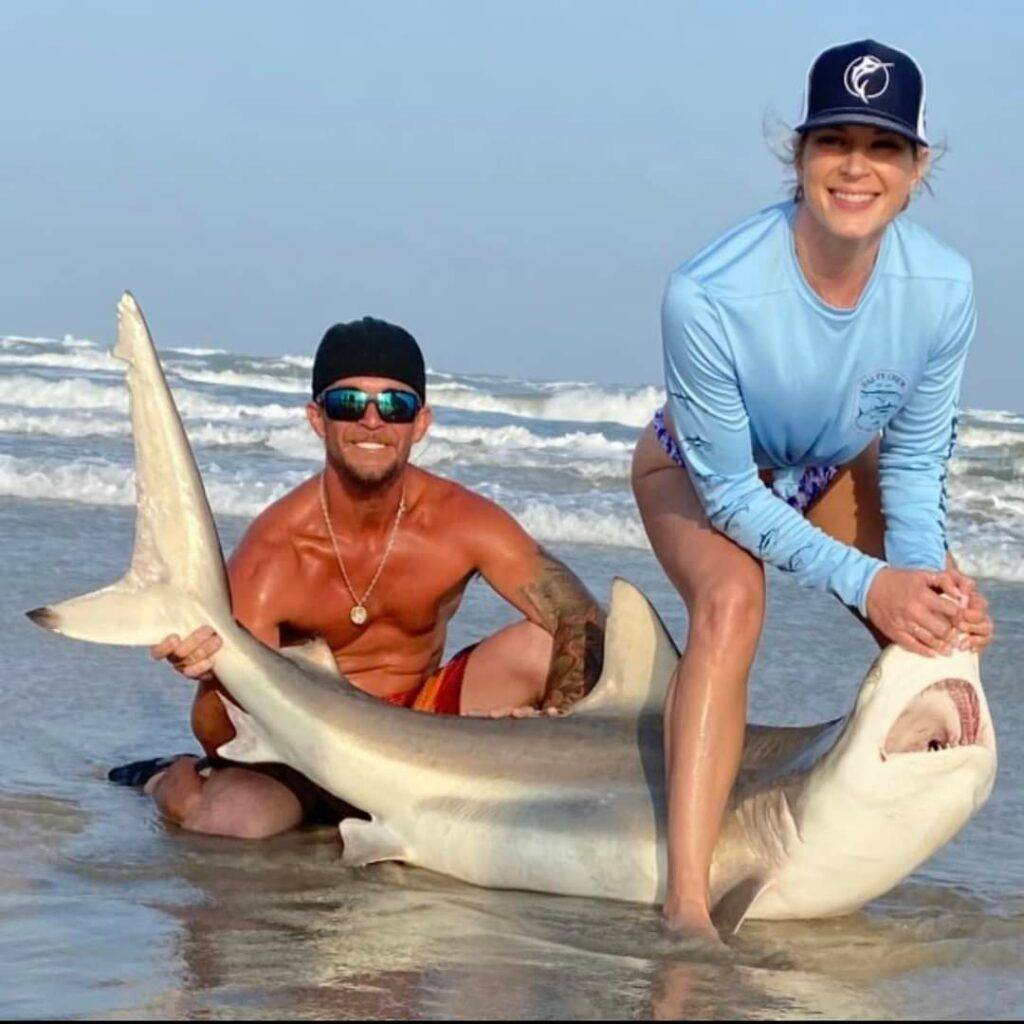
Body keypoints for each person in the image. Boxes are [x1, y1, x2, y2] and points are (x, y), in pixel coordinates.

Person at [630, 40, 995, 940]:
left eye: (883, 146)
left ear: (918, 167)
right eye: (835, 141)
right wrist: (870, 582)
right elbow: (733, 502)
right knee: (730, 599)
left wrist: (918, 586)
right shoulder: (708, 294)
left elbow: (910, 469)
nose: (856, 168)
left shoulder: (944, 290)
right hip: (698, 469)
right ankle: (686, 901)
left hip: (826, 469)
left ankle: (848, 839)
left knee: (941, 623)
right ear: (798, 157)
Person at [112, 316, 605, 839]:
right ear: (316, 418)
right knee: (235, 822)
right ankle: (167, 777)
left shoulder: (463, 522)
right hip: (307, 748)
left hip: (421, 727)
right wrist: (210, 674)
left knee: (540, 645)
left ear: (421, 423)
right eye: (349, 403)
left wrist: (555, 723)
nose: (373, 421)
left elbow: (581, 616)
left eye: (395, 405)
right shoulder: (277, 553)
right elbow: (219, 731)